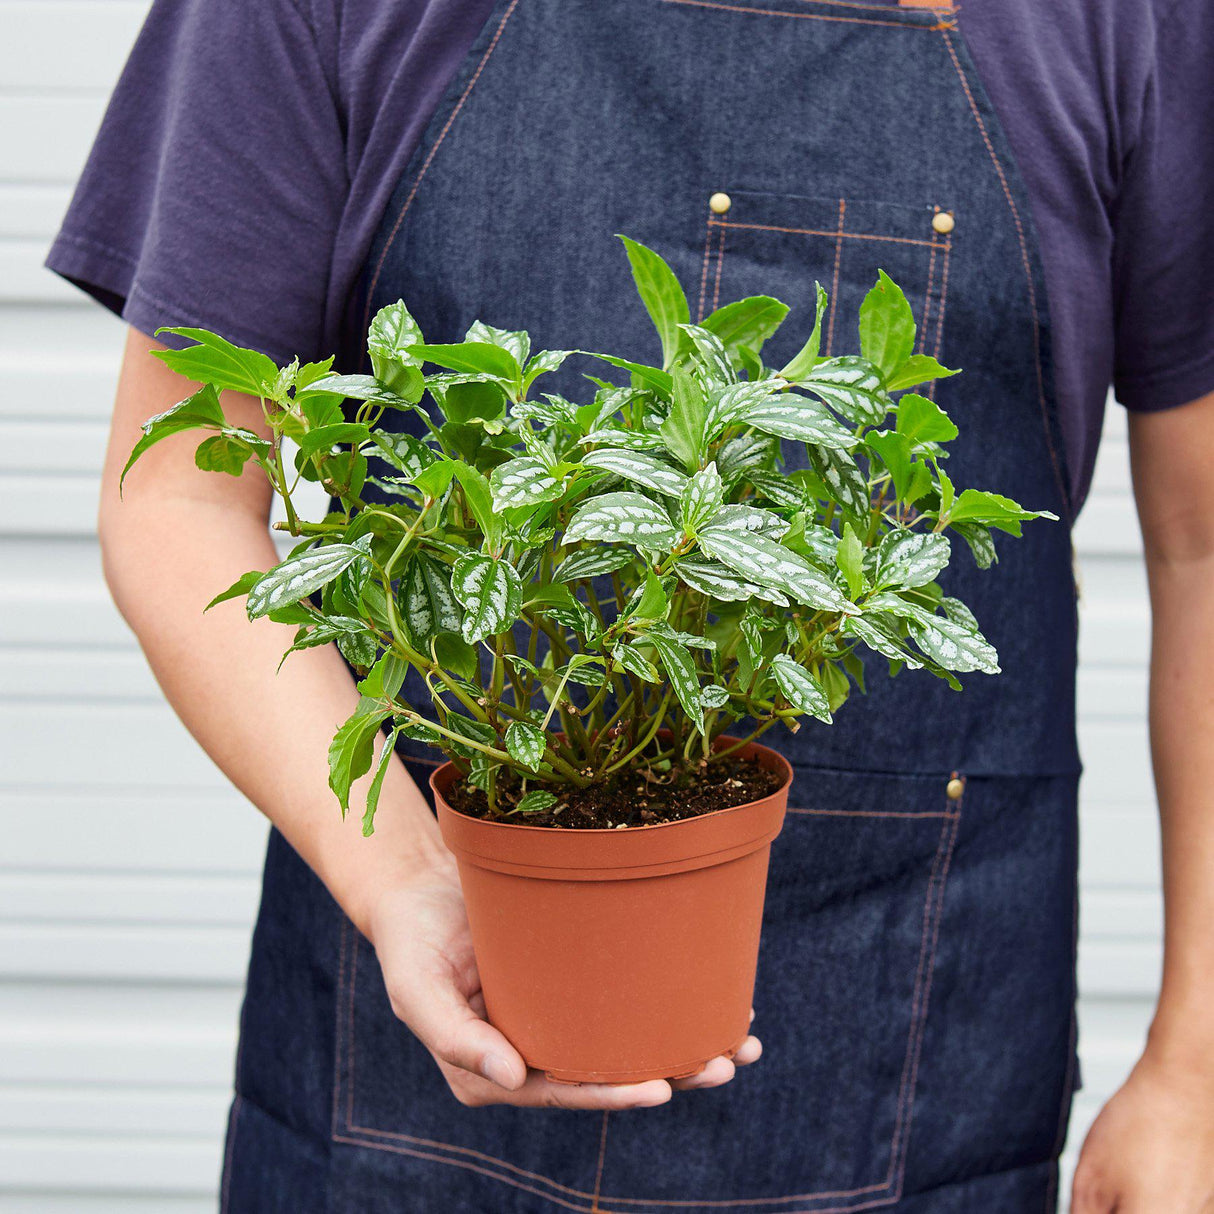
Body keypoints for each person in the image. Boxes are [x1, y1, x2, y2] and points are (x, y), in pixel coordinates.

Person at [47, 0, 1214, 1209]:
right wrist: (407, 881)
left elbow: (1199, 544)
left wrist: (1196, 1063)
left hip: (912, 1078)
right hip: (409, 1065)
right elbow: (180, 503)